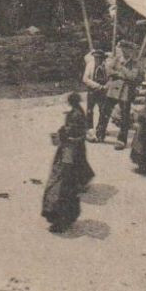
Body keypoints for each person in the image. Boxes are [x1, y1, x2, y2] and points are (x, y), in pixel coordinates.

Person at [41, 93, 93, 232]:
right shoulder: (78, 112)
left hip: (68, 152)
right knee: (67, 185)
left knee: (60, 184)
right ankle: (65, 218)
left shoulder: (75, 115)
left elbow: (70, 133)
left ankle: (60, 220)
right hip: (72, 151)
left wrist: (60, 135)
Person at [96, 43, 139, 148]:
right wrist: (120, 74)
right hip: (113, 89)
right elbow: (108, 71)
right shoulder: (117, 59)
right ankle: (99, 134)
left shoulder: (134, 63)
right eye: (123, 49)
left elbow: (132, 76)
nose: (125, 52)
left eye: (127, 50)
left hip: (125, 92)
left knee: (125, 117)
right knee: (105, 112)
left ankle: (121, 140)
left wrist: (122, 69)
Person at [81, 44, 109, 131]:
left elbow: (111, 78)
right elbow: (85, 79)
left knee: (103, 111)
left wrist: (105, 87)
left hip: (103, 91)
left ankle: (100, 129)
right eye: (96, 58)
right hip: (92, 90)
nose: (98, 60)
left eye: (100, 58)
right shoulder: (90, 65)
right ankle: (89, 129)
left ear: (103, 59)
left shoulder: (107, 66)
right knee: (89, 110)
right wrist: (97, 86)